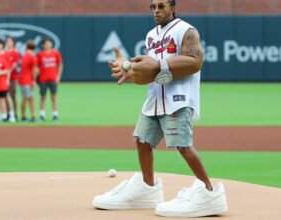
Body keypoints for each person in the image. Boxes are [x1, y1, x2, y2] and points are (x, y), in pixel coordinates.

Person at [93, 0, 228, 218]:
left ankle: (209, 192)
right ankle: (147, 188)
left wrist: (157, 66)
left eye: (162, 6)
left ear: (172, 8)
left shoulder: (186, 30)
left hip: (178, 97)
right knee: (142, 140)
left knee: (182, 146)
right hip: (155, 97)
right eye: (153, 6)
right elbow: (151, 73)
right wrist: (131, 73)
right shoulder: (151, 35)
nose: (156, 10)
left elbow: (195, 61)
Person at [37, 38, 63, 122]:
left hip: (53, 78)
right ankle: (42, 115)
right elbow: (37, 67)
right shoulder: (40, 54)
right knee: (42, 97)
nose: (48, 45)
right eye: (46, 43)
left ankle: (55, 115)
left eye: (49, 43)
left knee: (53, 97)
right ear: (43, 45)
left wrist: (58, 76)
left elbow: (60, 64)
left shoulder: (56, 53)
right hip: (43, 79)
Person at [0, 39, 16, 122]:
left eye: (0, 44)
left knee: (7, 97)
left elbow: (8, 69)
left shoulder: (6, 55)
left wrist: (7, 79)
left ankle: (11, 115)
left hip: (4, 79)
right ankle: (1, 114)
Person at [18, 40, 38, 122]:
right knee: (27, 98)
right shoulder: (32, 56)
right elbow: (34, 70)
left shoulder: (25, 55)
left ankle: (32, 116)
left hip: (24, 79)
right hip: (27, 80)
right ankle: (24, 117)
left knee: (29, 98)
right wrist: (34, 80)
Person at [5, 37, 20, 119]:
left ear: (13, 43)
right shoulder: (4, 53)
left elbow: (14, 65)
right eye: (7, 41)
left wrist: (8, 72)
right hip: (4, 78)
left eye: (10, 41)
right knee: (5, 96)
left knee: (13, 96)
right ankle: (8, 113)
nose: (8, 43)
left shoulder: (15, 53)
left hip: (12, 78)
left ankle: (15, 112)